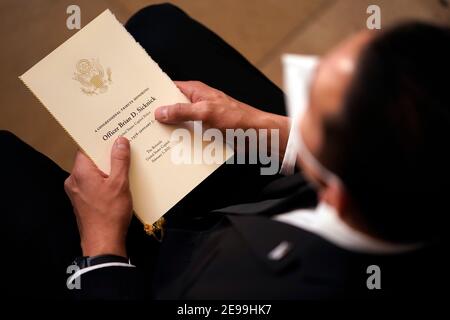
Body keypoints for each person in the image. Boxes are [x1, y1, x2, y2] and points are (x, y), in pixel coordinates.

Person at [1, 3, 448, 299]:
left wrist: (102, 247)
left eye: (313, 103)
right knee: (157, 31)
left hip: (168, 276)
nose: (300, 75)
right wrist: (256, 123)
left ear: (337, 194)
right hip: (278, 197)